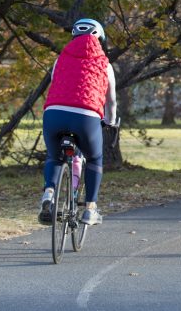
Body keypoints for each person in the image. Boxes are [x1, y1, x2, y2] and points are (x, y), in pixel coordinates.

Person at [38, 18, 117, 226]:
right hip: (86, 117)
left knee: (54, 157)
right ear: (100, 39)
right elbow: (111, 100)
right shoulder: (105, 64)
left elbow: (55, 83)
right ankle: (90, 208)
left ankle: (49, 193)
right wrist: (109, 121)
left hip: (53, 113)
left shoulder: (61, 58)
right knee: (94, 158)